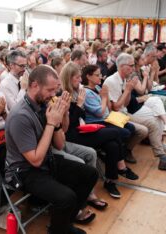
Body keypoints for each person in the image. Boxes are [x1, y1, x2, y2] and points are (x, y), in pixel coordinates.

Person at [5, 65, 98, 234]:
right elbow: (35, 160)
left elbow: (60, 145)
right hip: (25, 171)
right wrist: (50, 123)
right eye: (49, 90)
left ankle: (62, 225)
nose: (53, 95)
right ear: (34, 85)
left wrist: (62, 116)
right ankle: (59, 230)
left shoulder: (42, 104)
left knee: (90, 173)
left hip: (45, 161)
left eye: (55, 90)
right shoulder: (21, 115)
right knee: (66, 197)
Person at [60, 62, 139, 198]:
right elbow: (69, 125)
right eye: (77, 78)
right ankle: (121, 167)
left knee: (112, 145)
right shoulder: (64, 94)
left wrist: (102, 97)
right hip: (72, 135)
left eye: (80, 77)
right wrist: (79, 105)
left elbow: (99, 111)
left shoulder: (76, 91)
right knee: (115, 132)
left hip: (82, 128)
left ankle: (110, 180)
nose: (80, 80)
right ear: (69, 78)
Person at [104, 53, 166, 171]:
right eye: (130, 66)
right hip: (116, 116)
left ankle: (162, 158)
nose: (133, 68)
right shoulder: (111, 81)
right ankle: (128, 151)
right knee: (145, 128)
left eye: (133, 65)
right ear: (121, 66)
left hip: (124, 113)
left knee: (156, 117)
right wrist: (127, 91)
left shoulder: (125, 79)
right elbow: (115, 108)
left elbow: (125, 104)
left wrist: (128, 90)